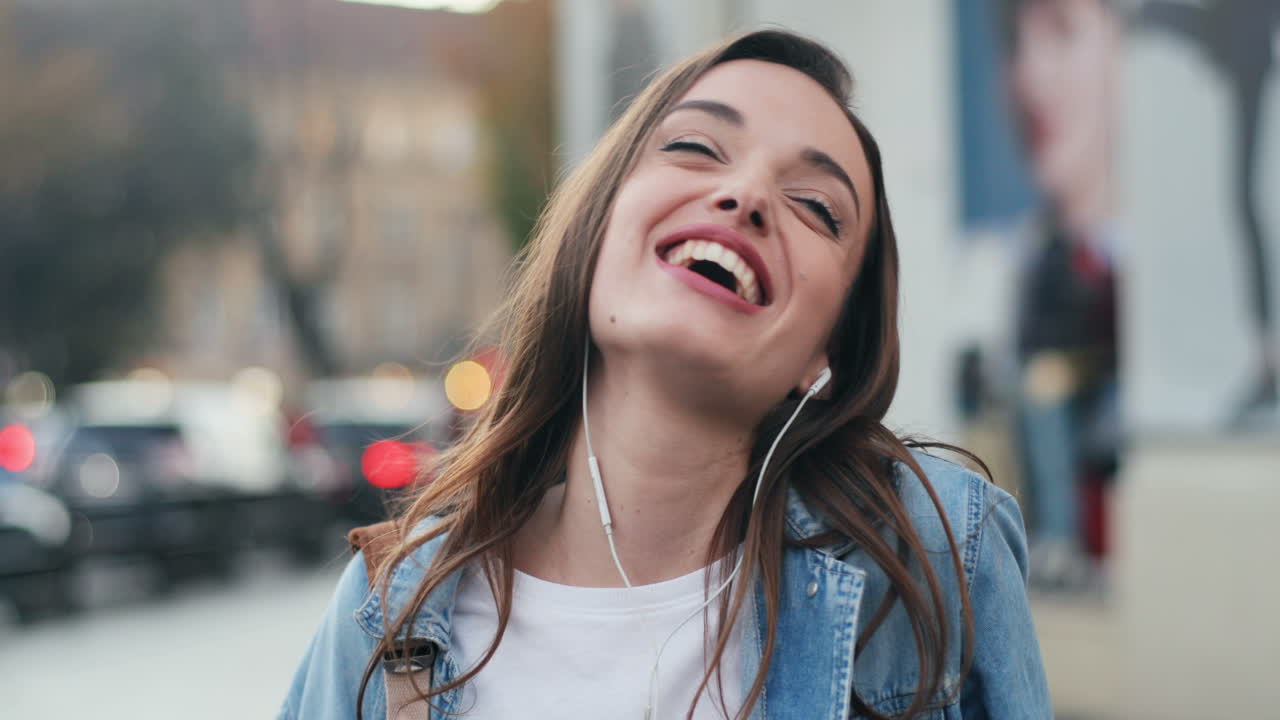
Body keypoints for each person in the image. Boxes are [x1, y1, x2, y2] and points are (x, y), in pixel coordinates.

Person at [280, 30, 1050, 720]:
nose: (745, 195)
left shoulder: (935, 554)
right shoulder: (392, 611)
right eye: (696, 147)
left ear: (829, 350)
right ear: (599, 225)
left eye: (815, 205)